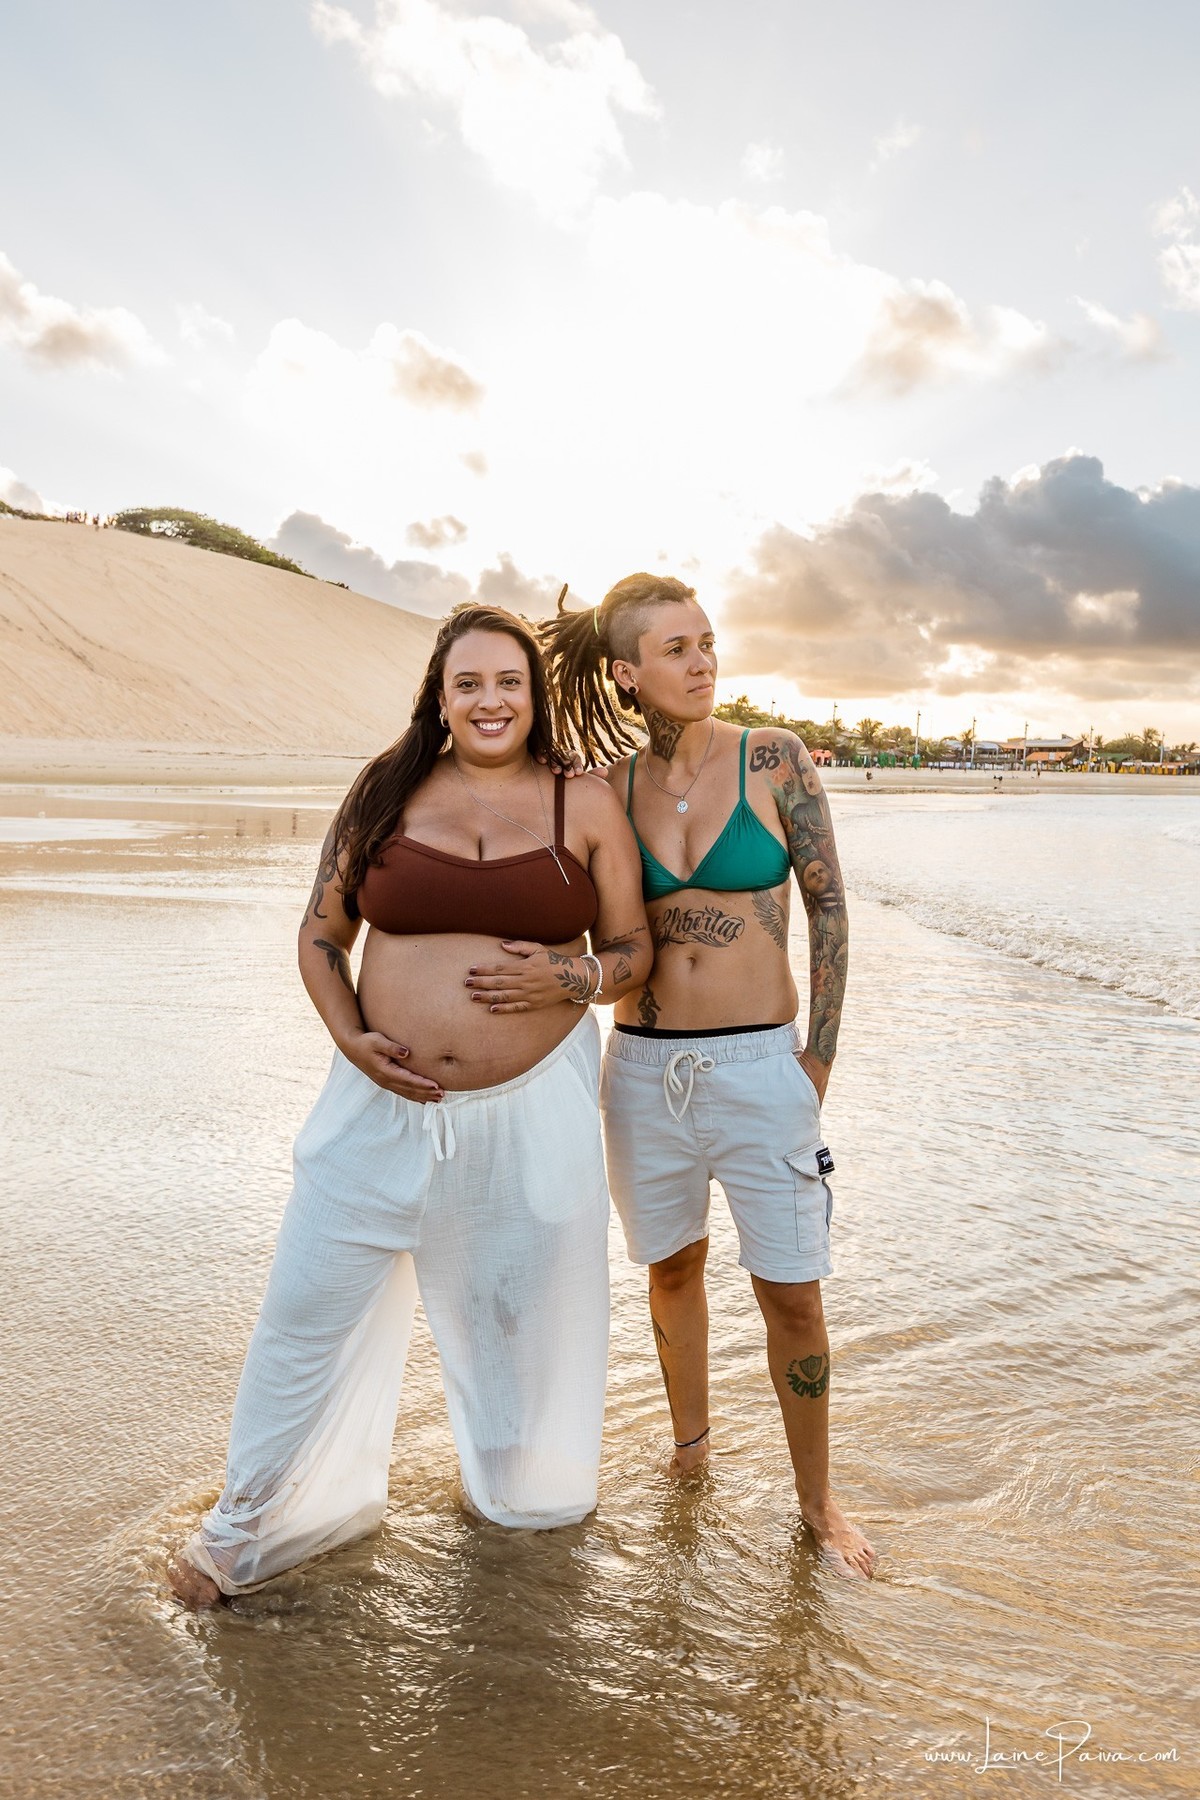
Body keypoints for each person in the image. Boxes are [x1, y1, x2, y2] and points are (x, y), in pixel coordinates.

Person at [168, 605, 651, 1607]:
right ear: (440, 696)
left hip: (531, 1124)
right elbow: (318, 936)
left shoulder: (584, 804)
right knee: (303, 1317)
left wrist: (569, 977)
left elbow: (633, 953)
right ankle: (247, 1530)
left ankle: (519, 1547)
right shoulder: (386, 791)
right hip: (373, 1114)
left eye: (508, 682)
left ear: (536, 695)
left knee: (521, 1334)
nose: (489, 700)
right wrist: (348, 1035)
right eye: (467, 682)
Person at [541, 575, 876, 1580]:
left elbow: (830, 911)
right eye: (675, 649)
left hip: (762, 1064)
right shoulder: (606, 783)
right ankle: (691, 1454)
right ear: (626, 672)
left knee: (793, 1295)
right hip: (641, 1071)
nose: (700, 663)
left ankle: (817, 1502)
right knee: (672, 1269)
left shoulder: (772, 758)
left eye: (707, 643)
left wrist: (817, 1054)